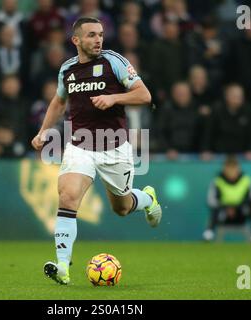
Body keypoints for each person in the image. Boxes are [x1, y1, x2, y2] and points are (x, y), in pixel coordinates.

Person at [31, 17, 162, 285]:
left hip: (114, 147)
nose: (98, 39)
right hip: (80, 147)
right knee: (67, 197)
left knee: (122, 208)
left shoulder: (114, 61)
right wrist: (43, 131)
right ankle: (63, 267)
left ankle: (147, 199)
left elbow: (144, 95)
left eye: (100, 34)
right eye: (91, 35)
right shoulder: (67, 69)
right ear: (76, 40)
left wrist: (114, 97)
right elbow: (59, 101)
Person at [203, 155, 251, 242]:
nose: (231, 172)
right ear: (224, 169)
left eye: (233, 168)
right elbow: (211, 200)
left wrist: (236, 208)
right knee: (214, 209)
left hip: (241, 213)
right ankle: (208, 234)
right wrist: (226, 208)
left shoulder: (246, 180)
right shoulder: (217, 181)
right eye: (229, 168)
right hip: (223, 214)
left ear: (238, 168)